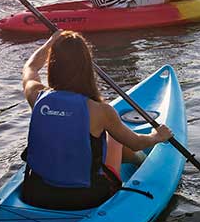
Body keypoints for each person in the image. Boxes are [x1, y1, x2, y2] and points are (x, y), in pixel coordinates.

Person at [20, 30, 173, 210]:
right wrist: (157, 136)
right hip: (85, 199)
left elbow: (30, 67)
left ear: (53, 65)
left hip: (35, 193)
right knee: (116, 138)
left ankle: (135, 160)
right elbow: (137, 142)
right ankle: (140, 162)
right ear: (87, 66)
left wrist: (51, 42)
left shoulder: (36, 96)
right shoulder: (101, 111)